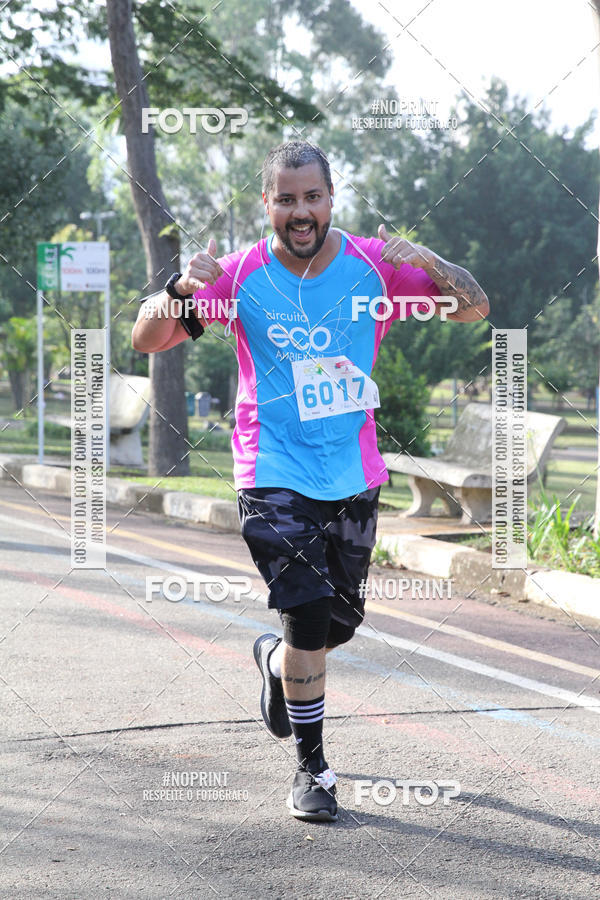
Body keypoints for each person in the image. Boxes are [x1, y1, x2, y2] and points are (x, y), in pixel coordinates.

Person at [132, 140, 489, 823]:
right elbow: (147, 341)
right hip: (270, 469)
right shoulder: (236, 276)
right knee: (304, 611)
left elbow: (473, 308)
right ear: (267, 204)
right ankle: (312, 770)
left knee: (338, 621)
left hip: (352, 470)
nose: (301, 212)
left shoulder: (374, 266)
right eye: (286, 199)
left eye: (312, 197)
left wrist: (432, 263)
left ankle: (275, 667)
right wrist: (179, 287)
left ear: (331, 200)